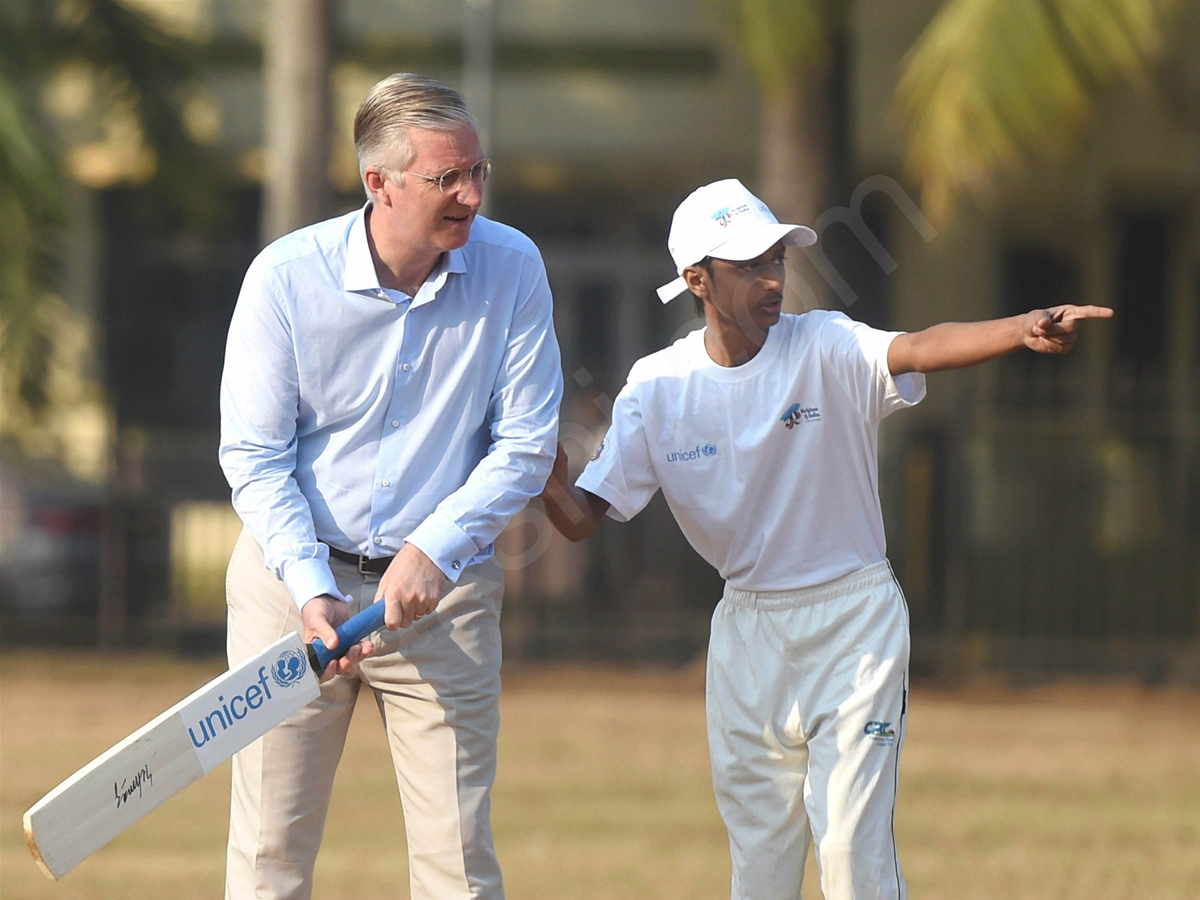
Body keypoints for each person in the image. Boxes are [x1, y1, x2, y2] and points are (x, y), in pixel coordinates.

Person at [538, 178, 1111, 900]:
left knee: (848, 852)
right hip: (746, 633)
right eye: (748, 265)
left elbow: (921, 347)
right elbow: (586, 515)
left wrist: (1021, 326)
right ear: (697, 280)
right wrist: (545, 480)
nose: (773, 278)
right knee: (760, 865)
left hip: (853, 622)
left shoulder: (825, 346)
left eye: (777, 258)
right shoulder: (657, 388)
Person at [218, 73, 562, 900]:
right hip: (288, 594)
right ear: (380, 182)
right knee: (268, 863)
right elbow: (255, 457)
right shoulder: (285, 279)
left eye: (478, 172)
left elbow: (526, 443)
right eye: (447, 178)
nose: (471, 195)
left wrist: (433, 552)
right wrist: (309, 591)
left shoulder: (514, 267)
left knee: (459, 869)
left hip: (446, 599)